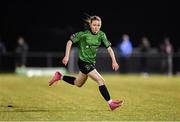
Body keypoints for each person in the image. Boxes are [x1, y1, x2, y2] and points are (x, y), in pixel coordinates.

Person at [49, 15, 123, 111]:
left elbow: (109, 48)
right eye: (94, 25)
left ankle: (59, 76)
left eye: (98, 25)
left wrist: (114, 61)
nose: (96, 27)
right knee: (101, 80)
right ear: (90, 25)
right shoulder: (83, 35)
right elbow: (69, 42)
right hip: (83, 63)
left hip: (91, 63)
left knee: (78, 83)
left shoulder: (101, 35)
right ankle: (110, 103)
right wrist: (67, 56)